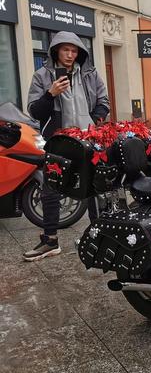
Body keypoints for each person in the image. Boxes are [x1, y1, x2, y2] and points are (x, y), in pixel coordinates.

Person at [24, 31, 109, 261]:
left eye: (74, 51)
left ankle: (98, 236)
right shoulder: (42, 75)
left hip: (88, 139)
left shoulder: (90, 74)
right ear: (56, 51)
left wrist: (97, 119)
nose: (70, 55)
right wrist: (51, 94)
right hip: (59, 141)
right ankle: (50, 241)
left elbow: (103, 101)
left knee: (95, 188)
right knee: (51, 189)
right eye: (65, 50)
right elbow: (34, 111)